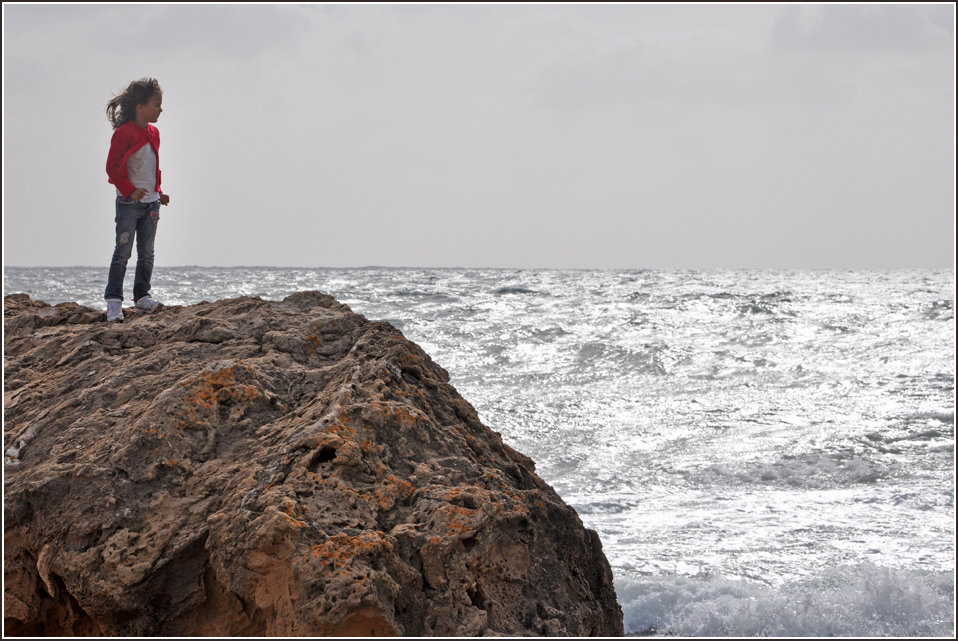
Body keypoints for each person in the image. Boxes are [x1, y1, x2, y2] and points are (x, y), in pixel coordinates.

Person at [103, 77, 171, 322]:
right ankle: (113, 301)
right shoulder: (124, 134)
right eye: (156, 104)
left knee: (147, 253)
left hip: (151, 203)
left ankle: (142, 296)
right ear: (139, 107)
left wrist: (158, 190)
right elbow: (112, 168)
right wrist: (130, 190)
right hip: (129, 204)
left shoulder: (154, 133)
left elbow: (152, 166)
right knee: (123, 252)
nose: (160, 110)